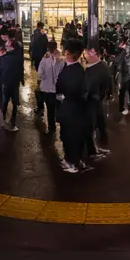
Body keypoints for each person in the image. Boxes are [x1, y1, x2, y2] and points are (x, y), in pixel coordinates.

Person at [55, 40, 89, 173]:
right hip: (75, 111)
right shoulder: (77, 69)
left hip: (70, 111)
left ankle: (72, 163)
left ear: (68, 53)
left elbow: (66, 90)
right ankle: (73, 159)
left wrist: (62, 96)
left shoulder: (72, 71)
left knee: (70, 137)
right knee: (71, 136)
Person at [84, 45, 112, 159]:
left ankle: (93, 150)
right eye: (88, 53)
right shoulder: (101, 66)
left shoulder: (95, 69)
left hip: (93, 100)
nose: (88, 55)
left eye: (91, 53)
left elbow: (88, 87)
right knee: (100, 123)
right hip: (98, 100)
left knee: (92, 125)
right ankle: (101, 144)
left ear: (98, 54)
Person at [36, 40, 61, 135]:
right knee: (54, 108)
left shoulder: (45, 59)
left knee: (49, 107)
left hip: (46, 87)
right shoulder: (60, 59)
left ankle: (51, 127)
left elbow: (40, 73)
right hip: (56, 88)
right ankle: (55, 125)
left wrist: (39, 81)